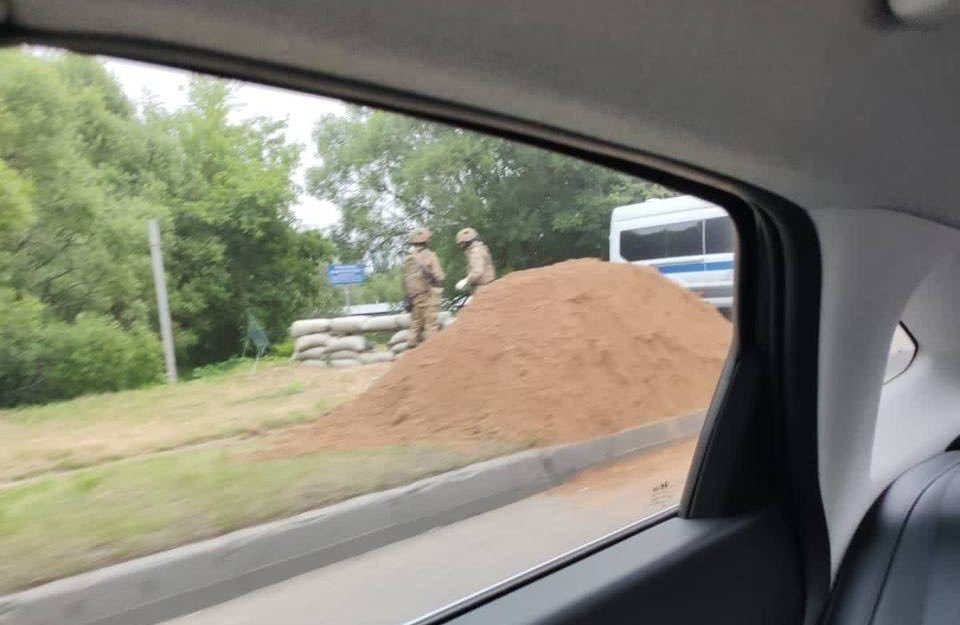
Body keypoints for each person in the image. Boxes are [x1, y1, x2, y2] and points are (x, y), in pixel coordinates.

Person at [403, 227, 445, 348]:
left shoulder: (407, 259)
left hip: (414, 298)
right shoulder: (430, 256)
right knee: (431, 326)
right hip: (429, 295)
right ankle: (431, 354)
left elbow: (405, 280)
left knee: (415, 326)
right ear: (425, 240)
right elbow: (439, 276)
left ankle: (410, 351)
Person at [454, 227, 495, 293]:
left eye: (461, 243)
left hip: (483, 287)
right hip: (488, 284)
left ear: (466, 242)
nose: (460, 246)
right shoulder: (480, 248)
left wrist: (466, 281)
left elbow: (477, 271)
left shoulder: (475, 252)